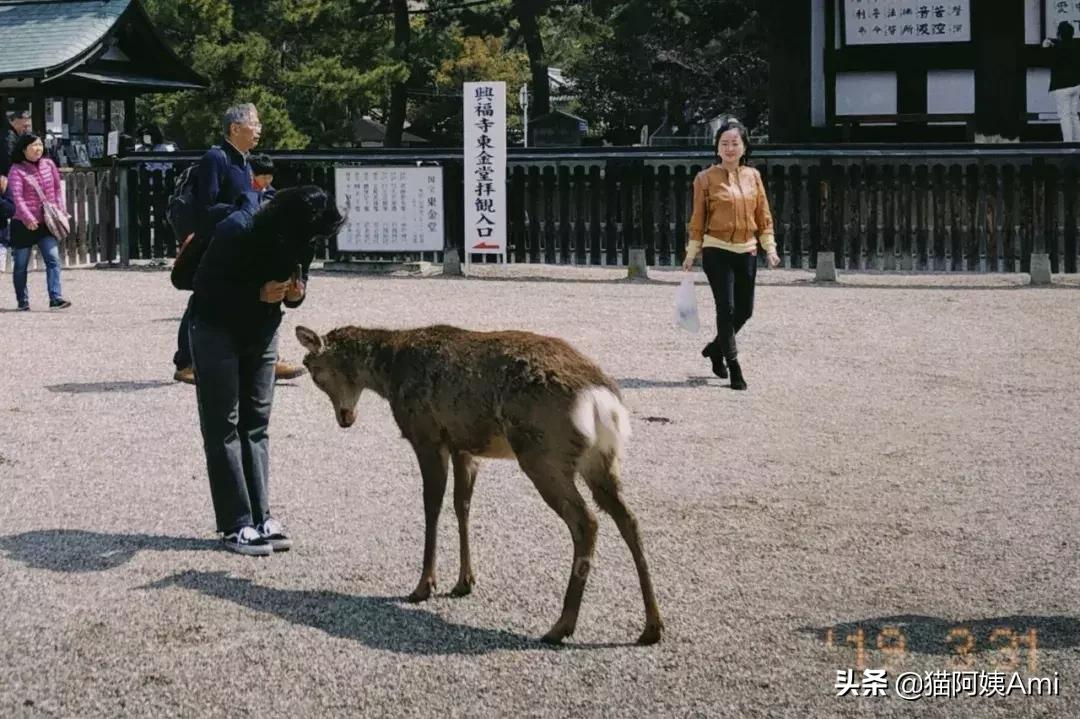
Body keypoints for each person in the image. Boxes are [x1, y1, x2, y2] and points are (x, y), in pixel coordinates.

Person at [189, 185, 344, 554]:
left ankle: (261, 516)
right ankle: (235, 523)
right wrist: (255, 294)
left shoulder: (302, 236)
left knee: (256, 422)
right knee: (223, 424)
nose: (313, 243)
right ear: (287, 223)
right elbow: (202, 288)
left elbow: (300, 282)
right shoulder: (236, 230)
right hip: (215, 328)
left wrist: (296, 293)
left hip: (262, 330)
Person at [681, 117, 778, 390]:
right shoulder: (705, 179)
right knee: (727, 308)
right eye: (724, 143)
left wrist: (769, 248)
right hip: (717, 249)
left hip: (747, 248)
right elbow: (698, 218)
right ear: (717, 148)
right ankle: (734, 366)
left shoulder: (753, 177)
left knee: (745, 311)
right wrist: (691, 253)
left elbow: (763, 215)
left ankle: (715, 349)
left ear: (744, 147)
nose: (730, 148)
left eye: (735, 143)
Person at [172, 104, 261, 384]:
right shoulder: (216, 157)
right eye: (254, 124)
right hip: (214, 242)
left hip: (238, 241)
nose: (259, 129)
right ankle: (185, 361)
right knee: (202, 300)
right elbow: (207, 206)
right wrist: (242, 206)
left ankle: (260, 355)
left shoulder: (245, 160)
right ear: (235, 128)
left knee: (249, 296)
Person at [7, 133, 71, 311]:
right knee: (21, 265)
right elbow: (17, 198)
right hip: (23, 223)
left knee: (53, 259)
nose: (38, 149)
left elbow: (57, 190)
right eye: (34, 146)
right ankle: (23, 300)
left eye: (40, 145)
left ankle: (55, 298)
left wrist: (61, 210)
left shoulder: (49, 164)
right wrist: (28, 218)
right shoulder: (16, 170)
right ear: (23, 149)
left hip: (46, 222)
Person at [1044, 22, 1080, 142]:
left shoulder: (1055, 49)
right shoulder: (1076, 46)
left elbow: (1045, 59)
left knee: (1065, 116)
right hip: (1076, 85)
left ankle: (1069, 146)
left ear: (1059, 34)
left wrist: (1045, 46)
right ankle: (1078, 143)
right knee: (1074, 115)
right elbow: (1064, 43)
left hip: (1061, 87)